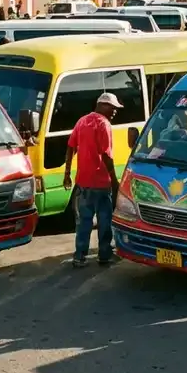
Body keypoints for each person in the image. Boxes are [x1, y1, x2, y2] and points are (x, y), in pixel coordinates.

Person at [63, 92, 123, 267]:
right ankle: (104, 255)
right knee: (104, 220)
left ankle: (79, 256)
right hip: (100, 183)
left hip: (83, 182)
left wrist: (67, 174)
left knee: (84, 221)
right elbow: (106, 155)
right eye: (112, 108)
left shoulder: (81, 121)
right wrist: (114, 180)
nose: (115, 112)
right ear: (102, 105)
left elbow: (70, 147)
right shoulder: (103, 124)